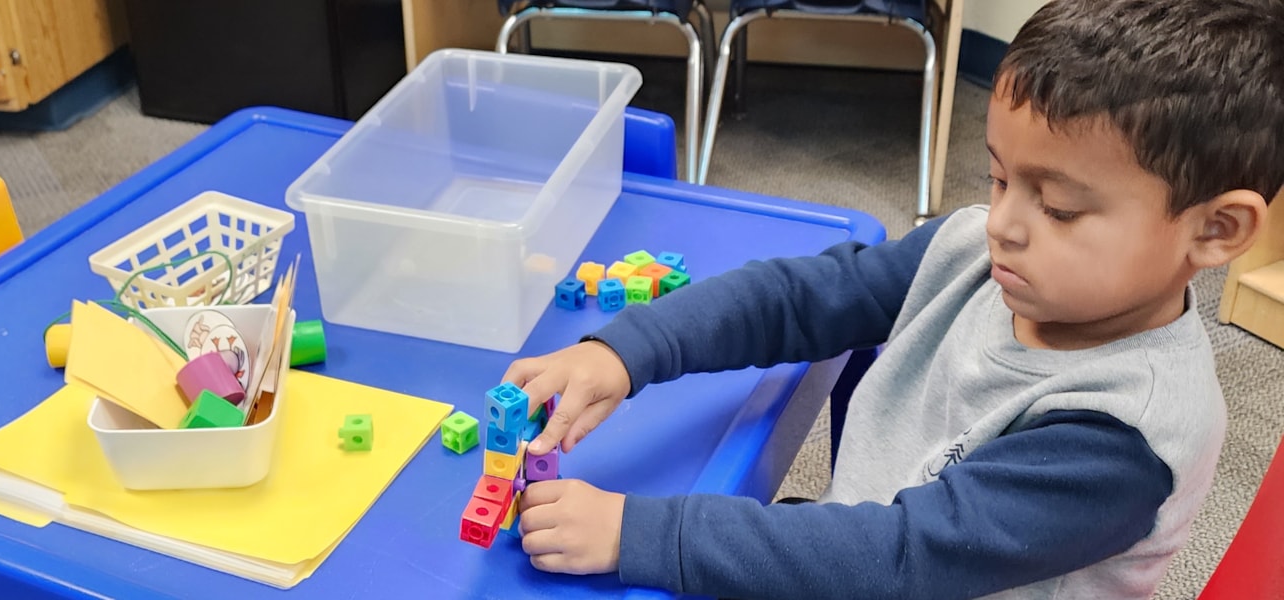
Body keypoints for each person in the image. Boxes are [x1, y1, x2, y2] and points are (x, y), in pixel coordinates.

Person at [504, 0, 1284, 597]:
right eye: (1001, 177)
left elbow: (904, 560)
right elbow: (799, 298)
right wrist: (627, 351)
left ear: (1216, 230)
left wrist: (640, 533)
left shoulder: (1121, 436)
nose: (1002, 225)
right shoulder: (976, 251)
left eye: (1059, 208)